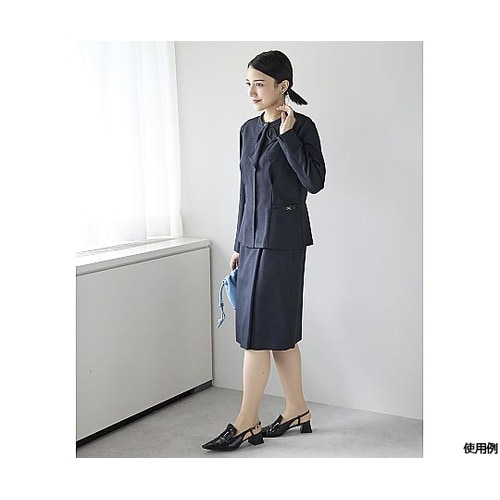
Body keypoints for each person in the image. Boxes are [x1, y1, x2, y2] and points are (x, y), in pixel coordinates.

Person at [202, 50, 326, 451]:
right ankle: (297, 409)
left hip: (284, 242)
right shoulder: (247, 130)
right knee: (278, 335)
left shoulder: (302, 127)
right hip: (253, 242)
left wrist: (287, 136)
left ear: (282, 86)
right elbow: (246, 191)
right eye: (248, 84)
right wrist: (239, 243)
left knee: (258, 333)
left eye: (260, 84)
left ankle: (246, 421)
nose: (252, 92)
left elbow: (314, 182)